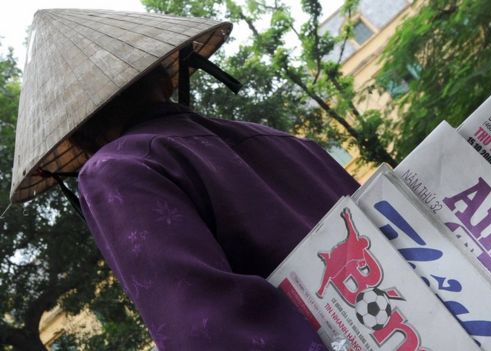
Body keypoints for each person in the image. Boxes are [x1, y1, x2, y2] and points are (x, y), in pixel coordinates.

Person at [11, 9, 358, 350]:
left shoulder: (115, 169)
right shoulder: (285, 142)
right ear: (165, 80)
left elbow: (205, 331)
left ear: (78, 140)